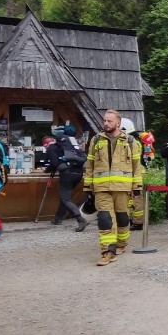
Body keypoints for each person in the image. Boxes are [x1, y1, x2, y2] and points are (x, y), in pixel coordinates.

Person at [84, 110, 143, 266]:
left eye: (109, 121)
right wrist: (88, 187)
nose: (106, 124)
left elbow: (136, 166)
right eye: (104, 121)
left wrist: (136, 186)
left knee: (122, 217)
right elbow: (89, 165)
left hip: (122, 187)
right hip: (101, 187)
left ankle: (121, 244)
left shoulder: (130, 141)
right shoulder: (96, 140)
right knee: (104, 218)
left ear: (118, 123)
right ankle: (107, 251)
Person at [44, 124, 90, 232]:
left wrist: (47, 170)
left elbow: (54, 163)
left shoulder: (52, 147)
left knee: (65, 198)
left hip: (67, 174)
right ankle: (58, 218)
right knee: (65, 197)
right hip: (78, 173)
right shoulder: (74, 146)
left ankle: (80, 220)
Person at [120, 118, 147, 231]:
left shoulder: (132, 142)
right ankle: (132, 219)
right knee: (131, 197)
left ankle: (138, 222)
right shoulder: (132, 140)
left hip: (135, 172)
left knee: (137, 198)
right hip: (133, 171)